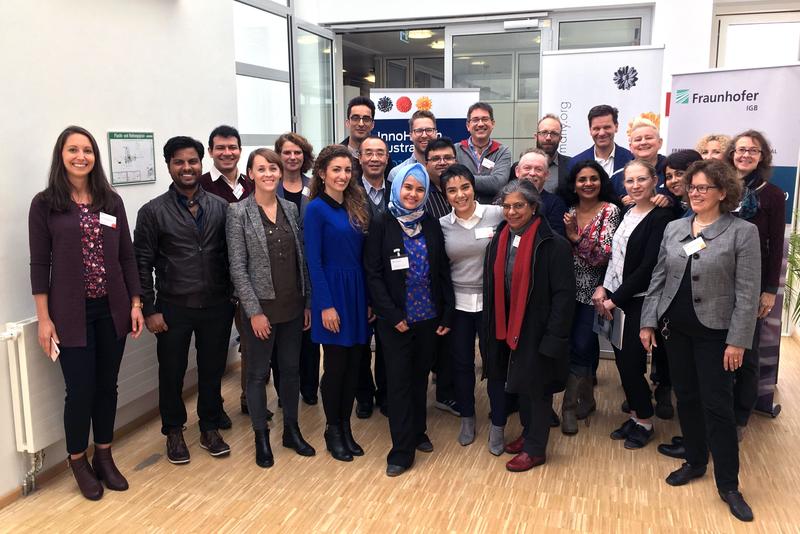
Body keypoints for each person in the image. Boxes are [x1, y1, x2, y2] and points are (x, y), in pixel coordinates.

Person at [640, 159, 760, 522]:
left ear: (723, 193)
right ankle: (695, 461)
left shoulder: (741, 232)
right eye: (692, 187)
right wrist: (647, 322)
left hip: (716, 335)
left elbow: (748, 292)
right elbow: (658, 277)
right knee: (686, 398)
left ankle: (729, 484)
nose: (694, 193)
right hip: (675, 331)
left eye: (703, 187)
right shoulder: (676, 228)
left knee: (717, 406)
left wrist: (738, 341)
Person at [28, 125, 143, 500]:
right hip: (70, 315)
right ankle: (78, 460)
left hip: (112, 310)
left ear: (95, 157)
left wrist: (136, 303)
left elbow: (127, 256)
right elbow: (39, 264)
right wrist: (44, 319)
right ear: (61, 156)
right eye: (73, 150)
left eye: (88, 150)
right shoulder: (45, 204)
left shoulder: (110, 202)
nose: (81, 156)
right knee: (79, 391)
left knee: (107, 388)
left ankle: (104, 455)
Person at [134, 136, 234, 465]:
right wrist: (149, 309)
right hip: (173, 307)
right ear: (169, 166)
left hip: (217, 305)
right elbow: (141, 263)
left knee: (211, 370)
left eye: (192, 161)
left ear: (201, 163)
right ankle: (174, 431)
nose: (187, 167)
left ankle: (208, 427)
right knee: (172, 372)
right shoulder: (152, 212)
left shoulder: (221, 208)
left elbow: (232, 257)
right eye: (179, 162)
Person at [364, 163, 454, 477]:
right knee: (399, 384)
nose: (413, 194)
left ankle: (418, 432)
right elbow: (373, 274)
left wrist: (446, 310)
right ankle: (401, 450)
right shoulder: (381, 222)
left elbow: (442, 270)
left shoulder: (430, 223)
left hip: (428, 315)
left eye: (419, 189)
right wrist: (391, 314)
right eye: (408, 187)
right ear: (397, 187)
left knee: (418, 380)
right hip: (396, 319)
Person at [226, 148, 315, 468]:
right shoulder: (238, 213)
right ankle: (261, 436)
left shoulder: (291, 208)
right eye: (261, 168)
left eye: (273, 168)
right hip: (260, 310)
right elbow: (237, 267)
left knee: (290, 372)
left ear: (280, 173)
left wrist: (307, 302)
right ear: (250, 173)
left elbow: (301, 260)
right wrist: (254, 312)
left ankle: (291, 430)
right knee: (257, 373)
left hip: (292, 306)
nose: (268, 174)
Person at [483, 179, 575, 472]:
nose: (511, 212)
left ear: (534, 207)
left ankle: (536, 449)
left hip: (537, 327)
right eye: (507, 206)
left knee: (538, 388)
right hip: (508, 323)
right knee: (520, 383)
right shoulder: (502, 237)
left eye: (518, 206)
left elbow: (564, 297)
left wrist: (554, 337)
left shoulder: (553, 244)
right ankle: (527, 434)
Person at [592, 160, 674, 450]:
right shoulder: (628, 212)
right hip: (616, 299)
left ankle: (645, 422)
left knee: (631, 365)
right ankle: (637, 415)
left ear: (654, 180)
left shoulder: (661, 217)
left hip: (637, 302)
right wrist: (603, 286)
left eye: (642, 179)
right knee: (624, 366)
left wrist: (615, 299)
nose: (636, 185)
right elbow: (616, 258)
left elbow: (648, 268)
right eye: (630, 181)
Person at [304, 144, 372, 462]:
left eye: (347, 170)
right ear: (322, 173)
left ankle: (345, 428)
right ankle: (332, 430)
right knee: (335, 368)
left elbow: (364, 256)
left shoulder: (355, 203)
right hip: (332, 293)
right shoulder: (315, 208)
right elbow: (314, 262)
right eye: (336, 170)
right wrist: (325, 305)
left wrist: (369, 299)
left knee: (355, 366)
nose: (343, 175)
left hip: (357, 292)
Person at [438, 164, 504, 449]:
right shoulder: (441, 225)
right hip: (459, 306)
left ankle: (499, 423)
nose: (460, 195)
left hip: (492, 304)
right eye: (452, 190)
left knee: (495, 365)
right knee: (462, 364)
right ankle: (467, 416)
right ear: (445, 195)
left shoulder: (497, 214)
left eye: (464, 187)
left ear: (473, 186)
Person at [726, 130, 785, 440]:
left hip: (751, 286)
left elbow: (776, 246)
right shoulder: (721, 187)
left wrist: (769, 291)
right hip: (718, 283)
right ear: (731, 153)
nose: (745, 155)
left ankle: (740, 416)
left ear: (762, 156)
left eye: (753, 150)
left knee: (746, 354)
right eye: (740, 149)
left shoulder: (772, 194)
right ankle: (717, 411)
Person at [558, 161, 621, 435]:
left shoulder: (610, 211)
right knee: (573, 346)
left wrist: (573, 236)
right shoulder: (568, 211)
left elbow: (602, 256)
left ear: (601, 181)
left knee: (582, 345)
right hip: (564, 290)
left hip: (594, 291)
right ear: (573, 184)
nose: (587, 183)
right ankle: (588, 398)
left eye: (593, 178)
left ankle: (569, 407)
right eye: (581, 179)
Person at [199, 124, 249, 427]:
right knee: (215, 350)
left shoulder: (252, 183)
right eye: (220, 148)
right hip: (216, 281)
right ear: (211, 152)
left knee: (251, 344)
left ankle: (248, 397)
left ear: (239, 150)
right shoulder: (202, 186)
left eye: (232, 147)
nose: (227, 153)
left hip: (248, 281)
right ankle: (214, 407)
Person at [275, 132, 317, 407]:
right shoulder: (269, 186)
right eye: (287, 152)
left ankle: (310, 387)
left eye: (298, 152)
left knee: (309, 335)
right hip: (281, 273)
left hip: (310, 268)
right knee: (282, 340)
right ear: (279, 155)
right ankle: (284, 392)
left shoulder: (314, 186)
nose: (292, 157)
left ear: (305, 157)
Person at [354, 135, 390, 419]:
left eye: (380, 153)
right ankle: (364, 396)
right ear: (360, 158)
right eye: (369, 153)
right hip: (358, 281)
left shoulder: (399, 191)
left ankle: (387, 395)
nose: (375, 158)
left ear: (387, 158)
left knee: (389, 345)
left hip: (391, 284)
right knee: (361, 346)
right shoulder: (349, 194)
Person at [455, 102, 512, 203]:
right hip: (461, 210)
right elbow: (451, 182)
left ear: (492, 124)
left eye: (485, 119)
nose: (480, 124)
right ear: (468, 125)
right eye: (475, 120)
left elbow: (498, 184)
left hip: (492, 213)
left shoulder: (502, 151)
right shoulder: (455, 150)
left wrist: (462, 178)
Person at [567, 104, 634, 183]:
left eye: (606, 127)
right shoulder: (575, 163)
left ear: (616, 127)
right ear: (590, 130)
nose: (601, 133)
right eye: (596, 128)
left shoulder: (631, 159)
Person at [509, 114, 571, 192]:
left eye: (554, 133)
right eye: (544, 132)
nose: (548, 138)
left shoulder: (570, 165)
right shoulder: (519, 167)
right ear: (536, 136)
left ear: (560, 138)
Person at [341, 96, 395, 180]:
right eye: (355, 118)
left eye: (366, 119)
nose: (361, 124)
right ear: (347, 123)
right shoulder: (336, 155)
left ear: (373, 124)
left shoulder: (382, 157)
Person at [515, 148, 567, 236]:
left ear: (546, 175)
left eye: (538, 169)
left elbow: (556, 241)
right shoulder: (504, 199)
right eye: (527, 168)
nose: (532, 173)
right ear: (517, 171)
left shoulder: (556, 204)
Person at [388, 110, 438, 182]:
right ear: (410, 136)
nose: (424, 135)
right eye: (419, 131)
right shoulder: (397, 173)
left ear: (436, 134)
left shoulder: (446, 170)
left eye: (429, 130)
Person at [663, 149, 703, 217]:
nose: (673, 180)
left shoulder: (705, 207)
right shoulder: (671, 205)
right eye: (669, 177)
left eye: (679, 174)